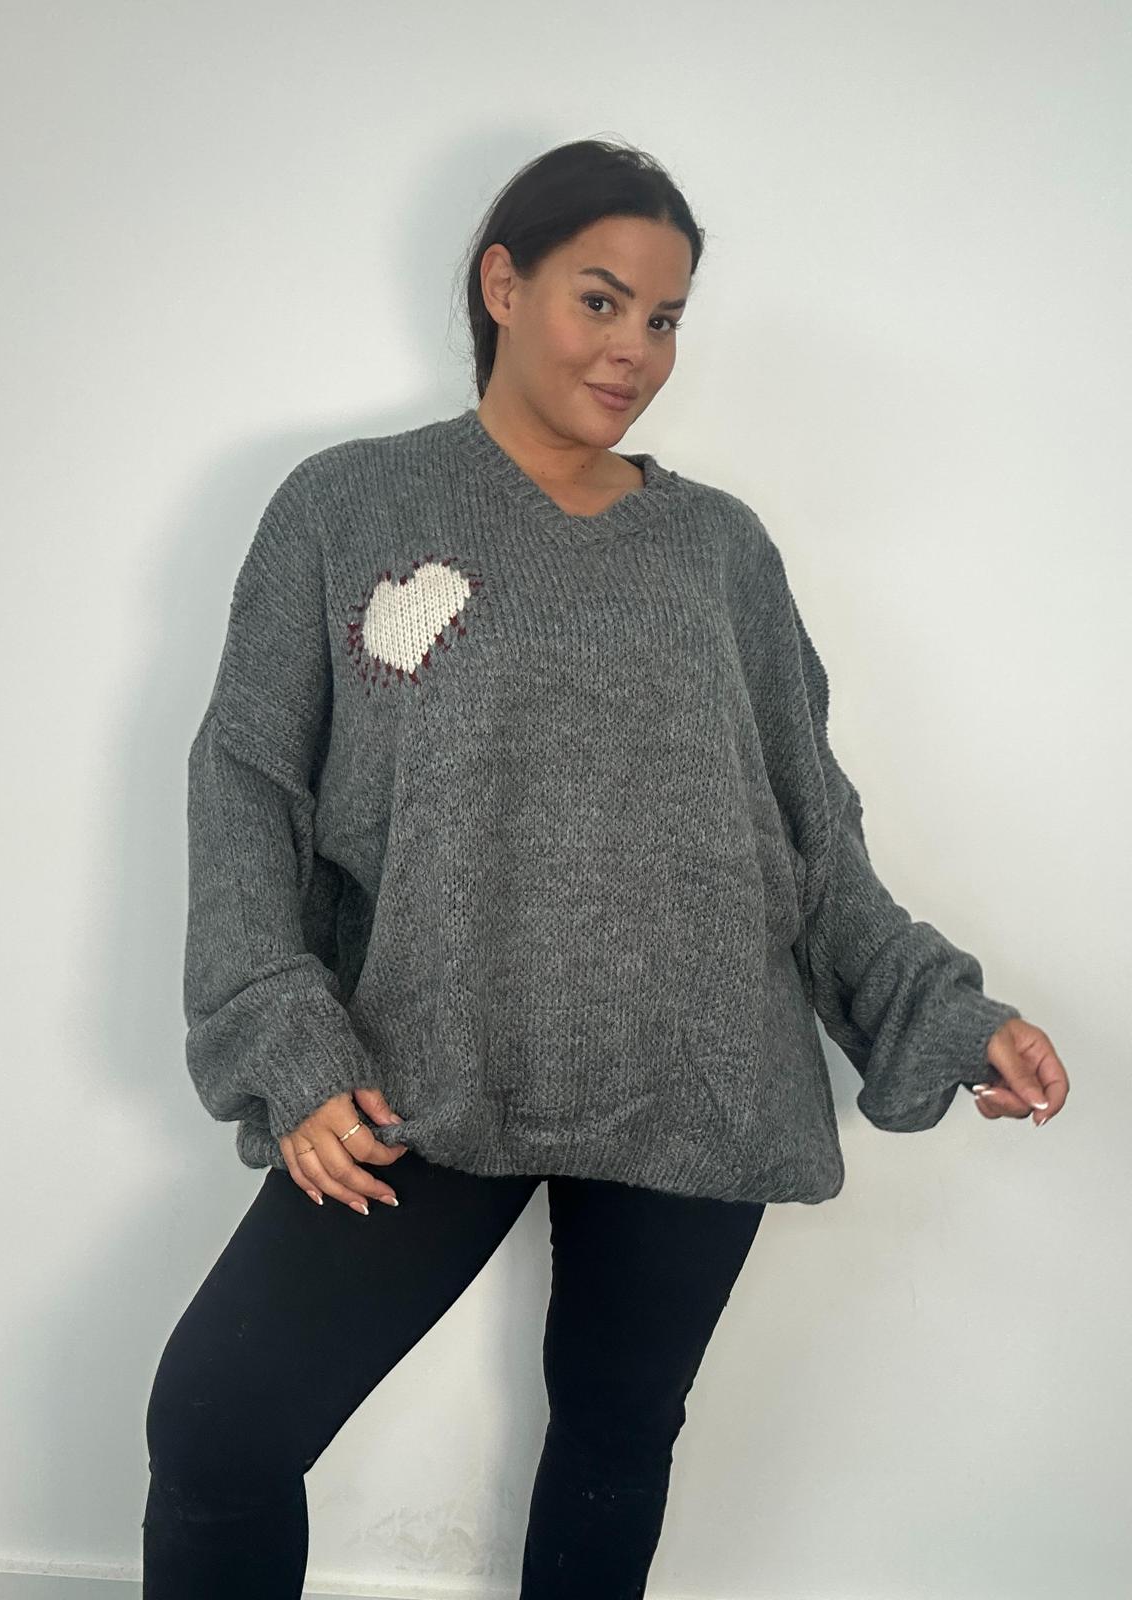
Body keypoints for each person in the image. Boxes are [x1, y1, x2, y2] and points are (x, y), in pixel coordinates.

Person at [140, 137, 1068, 1597]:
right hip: (422, 1066)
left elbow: (810, 839)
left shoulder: (720, 550)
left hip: (697, 1068)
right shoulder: (345, 508)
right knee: (216, 1431)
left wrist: (948, 1015)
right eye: (600, 299)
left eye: (666, 318)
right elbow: (248, 790)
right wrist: (285, 1041)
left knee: (616, 1438)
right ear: (502, 285)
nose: (636, 348)